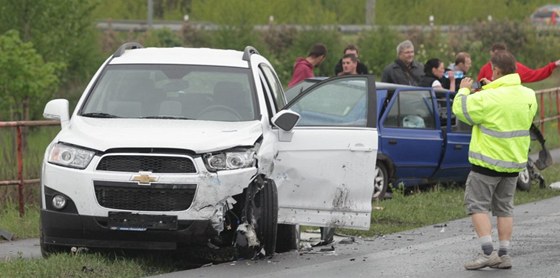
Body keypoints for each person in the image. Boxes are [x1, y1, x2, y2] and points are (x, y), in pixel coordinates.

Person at [452, 50, 538, 270]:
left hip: (487, 163)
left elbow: (461, 111)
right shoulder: (528, 95)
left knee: (477, 205)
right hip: (513, 163)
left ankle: (487, 253)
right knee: (504, 208)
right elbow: (509, 109)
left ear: (496, 70)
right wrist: (491, 86)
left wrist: (463, 91)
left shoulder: (486, 98)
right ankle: (504, 254)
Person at [477, 43, 560, 84]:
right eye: (496, 53)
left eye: (501, 54)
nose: (498, 56)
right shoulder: (485, 69)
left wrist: (554, 65)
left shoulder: (514, 67)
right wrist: (467, 87)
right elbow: (478, 85)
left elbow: (535, 75)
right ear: (491, 53)